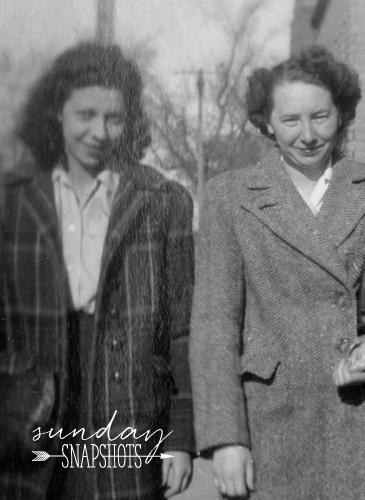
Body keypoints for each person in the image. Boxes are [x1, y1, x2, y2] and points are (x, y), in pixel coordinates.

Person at [190, 45, 365, 500]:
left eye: (320, 117)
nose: (306, 135)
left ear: (342, 115)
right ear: (267, 121)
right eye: (290, 120)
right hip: (275, 424)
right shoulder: (230, 196)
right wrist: (226, 438)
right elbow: (214, 326)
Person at [0, 42, 195, 500]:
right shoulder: (15, 202)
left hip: (127, 414)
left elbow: (186, 329)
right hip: (28, 419)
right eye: (84, 115)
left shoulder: (163, 202)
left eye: (114, 118)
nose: (99, 132)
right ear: (58, 115)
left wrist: (181, 438)